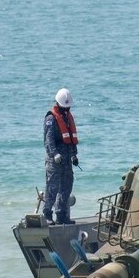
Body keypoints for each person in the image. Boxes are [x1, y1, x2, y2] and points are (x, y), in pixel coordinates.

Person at [43, 87, 79, 225]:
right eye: (64, 107)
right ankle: (47, 214)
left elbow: (71, 138)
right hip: (54, 160)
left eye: (68, 107)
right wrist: (55, 154)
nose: (66, 109)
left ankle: (61, 214)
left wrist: (74, 155)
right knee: (52, 187)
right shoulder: (51, 119)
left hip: (66, 160)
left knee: (67, 186)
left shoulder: (68, 118)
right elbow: (49, 140)